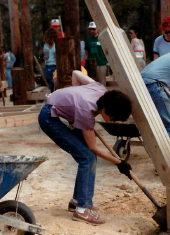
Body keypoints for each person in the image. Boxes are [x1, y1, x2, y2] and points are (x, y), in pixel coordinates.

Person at [38, 70, 132, 225]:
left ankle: (78, 200)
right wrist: (119, 163)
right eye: (113, 118)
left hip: (59, 109)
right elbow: (94, 147)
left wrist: (73, 109)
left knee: (87, 156)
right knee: (87, 157)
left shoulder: (100, 90)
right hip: (49, 118)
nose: (113, 122)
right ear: (103, 110)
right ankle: (81, 210)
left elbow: (75, 73)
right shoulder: (86, 110)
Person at [84, 21, 108, 86]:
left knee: (102, 83)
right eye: (90, 29)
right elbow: (86, 52)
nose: (91, 31)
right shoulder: (88, 40)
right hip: (91, 65)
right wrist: (85, 62)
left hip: (101, 63)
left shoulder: (102, 39)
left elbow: (107, 51)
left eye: (93, 29)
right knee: (92, 84)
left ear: (97, 29)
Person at [43, 27, 58, 92]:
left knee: (51, 89)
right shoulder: (55, 46)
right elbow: (57, 57)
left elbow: (46, 57)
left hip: (47, 69)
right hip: (54, 68)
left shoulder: (45, 46)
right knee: (55, 89)